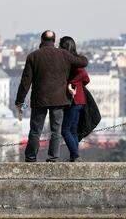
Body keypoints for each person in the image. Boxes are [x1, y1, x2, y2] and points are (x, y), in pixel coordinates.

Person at [15, 30, 88, 162]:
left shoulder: (33, 56)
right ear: (54, 41)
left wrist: (20, 101)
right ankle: (53, 157)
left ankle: (31, 157)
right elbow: (83, 62)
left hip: (39, 100)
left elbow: (25, 82)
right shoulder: (64, 54)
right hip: (59, 99)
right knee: (56, 130)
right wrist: (78, 55)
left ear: (42, 40)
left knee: (36, 130)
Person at [59, 36, 90, 162]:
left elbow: (84, 75)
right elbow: (86, 79)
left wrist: (71, 83)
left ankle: (76, 156)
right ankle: (73, 157)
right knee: (73, 130)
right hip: (80, 100)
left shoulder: (72, 63)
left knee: (65, 130)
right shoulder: (77, 60)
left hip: (73, 100)